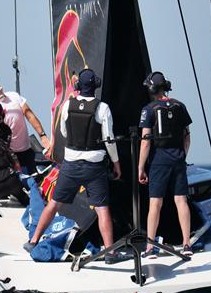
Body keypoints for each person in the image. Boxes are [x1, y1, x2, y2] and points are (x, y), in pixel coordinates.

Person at [24, 69, 125, 264]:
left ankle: (33, 240)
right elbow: (109, 140)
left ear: (78, 87)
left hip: (70, 165)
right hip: (94, 166)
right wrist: (116, 163)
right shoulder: (102, 108)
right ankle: (110, 254)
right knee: (102, 209)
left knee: (54, 203)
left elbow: (62, 131)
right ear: (95, 86)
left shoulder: (67, 104)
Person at [137, 71, 194, 257]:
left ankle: (150, 247)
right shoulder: (180, 106)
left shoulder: (148, 109)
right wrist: (182, 157)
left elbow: (145, 141)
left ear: (152, 88)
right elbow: (187, 138)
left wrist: (140, 167)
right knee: (181, 200)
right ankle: (187, 244)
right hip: (178, 159)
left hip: (159, 161)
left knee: (155, 203)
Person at [0, 74, 50, 175]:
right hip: (10, 155)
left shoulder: (13, 96)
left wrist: (43, 136)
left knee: (35, 179)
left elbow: (30, 115)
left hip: (27, 149)